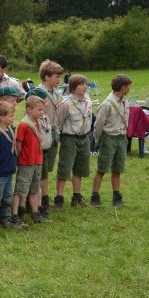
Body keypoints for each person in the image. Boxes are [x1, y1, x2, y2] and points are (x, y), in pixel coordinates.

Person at [91, 74, 132, 207]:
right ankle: (95, 197)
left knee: (117, 169)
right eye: (128, 86)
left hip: (121, 138)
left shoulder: (125, 102)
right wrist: (97, 141)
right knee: (102, 169)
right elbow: (98, 124)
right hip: (108, 138)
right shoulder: (107, 104)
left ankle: (117, 197)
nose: (130, 89)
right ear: (122, 87)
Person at [54, 74, 92, 209]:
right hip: (69, 139)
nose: (85, 87)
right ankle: (59, 198)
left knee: (80, 169)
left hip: (84, 138)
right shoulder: (66, 104)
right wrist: (57, 139)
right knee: (64, 169)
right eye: (82, 84)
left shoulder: (88, 101)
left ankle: (76, 196)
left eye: (86, 84)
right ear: (73, 88)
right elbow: (58, 123)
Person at [13, 95, 48, 225]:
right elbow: (19, 144)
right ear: (29, 109)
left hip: (37, 160)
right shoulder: (24, 125)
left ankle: (35, 212)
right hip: (26, 162)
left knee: (34, 188)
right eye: (39, 110)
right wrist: (22, 157)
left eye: (43, 110)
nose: (42, 112)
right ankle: (15, 214)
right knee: (20, 189)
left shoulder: (37, 123)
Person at [36, 60, 64, 213]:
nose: (59, 80)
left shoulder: (56, 93)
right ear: (46, 77)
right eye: (56, 76)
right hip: (41, 135)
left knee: (47, 169)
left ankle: (43, 198)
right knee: (41, 170)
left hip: (53, 134)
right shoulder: (38, 93)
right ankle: (40, 200)